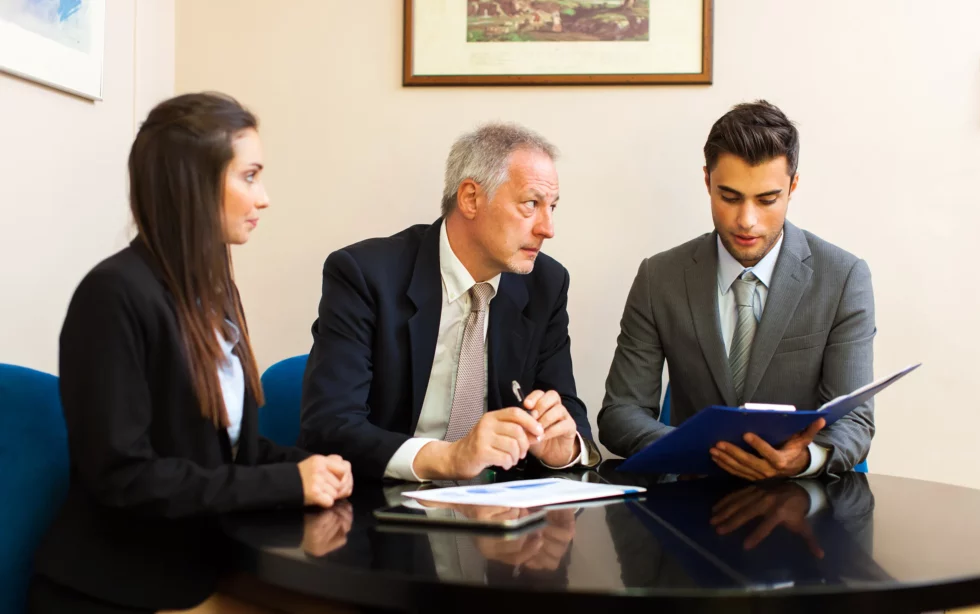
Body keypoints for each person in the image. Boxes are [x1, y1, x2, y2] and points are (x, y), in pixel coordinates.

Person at [30, 92, 353, 613]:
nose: (264, 197)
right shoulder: (113, 294)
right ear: (194, 185)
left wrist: (309, 466)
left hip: (201, 568)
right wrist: (286, 481)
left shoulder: (213, 291)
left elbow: (224, 453)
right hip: (115, 589)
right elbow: (125, 476)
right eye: (249, 176)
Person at [299, 122, 600, 482]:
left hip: (500, 515)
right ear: (471, 198)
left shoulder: (545, 284)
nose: (547, 228)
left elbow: (567, 411)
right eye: (531, 204)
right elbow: (330, 425)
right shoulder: (365, 275)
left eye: (552, 207)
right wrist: (447, 457)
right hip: (384, 506)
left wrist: (563, 450)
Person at [599, 100, 875, 479]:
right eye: (729, 197)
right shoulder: (658, 277)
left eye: (767, 200)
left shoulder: (843, 278)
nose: (747, 221)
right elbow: (620, 414)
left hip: (804, 505)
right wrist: (695, 453)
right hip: (691, 502)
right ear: (707, 181)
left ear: (793, 186)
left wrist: (804, 458)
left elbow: (856, 421)